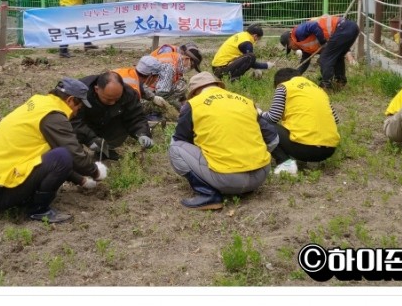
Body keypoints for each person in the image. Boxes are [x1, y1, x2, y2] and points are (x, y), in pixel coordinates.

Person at [0, 78, 108, 224]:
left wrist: (81, 180)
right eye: (79, 106)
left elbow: (44, 157)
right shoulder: (54, 116)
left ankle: (27, 200)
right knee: (62, 156)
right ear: (70, 100)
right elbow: (73, 155)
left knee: (58, 155)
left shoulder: (40, 105)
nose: (77, 112)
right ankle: (39, 210)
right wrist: (96, 171)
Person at [168, 72, 279, 210]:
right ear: (218, 85)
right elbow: (273, 138)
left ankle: (208, 195)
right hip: (260, 176)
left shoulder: (194, 104)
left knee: (175, 148)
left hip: (228, 180)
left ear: (195, 92)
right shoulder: (245, 101)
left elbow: (181, 139)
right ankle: (245, 184)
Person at [260, 68, 341, 175]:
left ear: (278, 82)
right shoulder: (319, 90)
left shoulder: (284, 86)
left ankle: (285, 163)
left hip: (304, 148)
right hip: (329, 150)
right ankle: (312, 162)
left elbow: (273, 117)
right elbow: (335, 120)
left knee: (261, 123)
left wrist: (259, 113)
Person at [71, 71, 154, 161]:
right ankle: (76, 155)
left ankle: (105, 150)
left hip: (108, 122)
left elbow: (136, 117)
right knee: (70, 136)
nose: (113, 103)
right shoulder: (80, 91)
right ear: (96, 89)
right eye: (108, 99)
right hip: (85, 123)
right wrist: (91, 139)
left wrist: (142, 133)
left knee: (120, 125)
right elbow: (73, 121)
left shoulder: (128, 93)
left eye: (117, 99)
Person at [280, 15, 360, 90]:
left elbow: (313, 26)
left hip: (343, 27)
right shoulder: (303, 46)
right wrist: (295, 76)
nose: (292, 49)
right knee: (337, 57)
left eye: (290, 47)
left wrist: (322, 42)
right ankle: (340, 82)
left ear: (290, 39)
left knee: (324, 59)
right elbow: (305, 62)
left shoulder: (298, 31)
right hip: (351, 29)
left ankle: (326, 86)